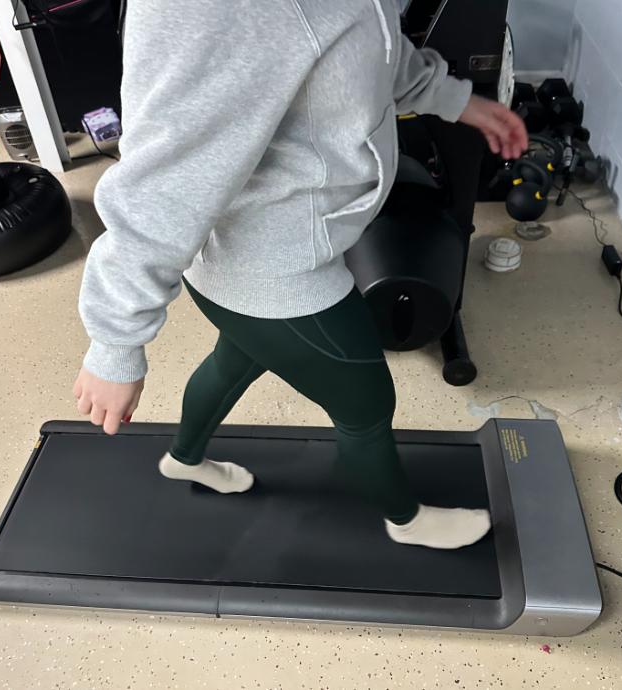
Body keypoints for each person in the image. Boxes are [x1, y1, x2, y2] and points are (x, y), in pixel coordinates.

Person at [74, 0, 528, 549]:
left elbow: (369, 45)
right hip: (276, 273)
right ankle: (406, 521)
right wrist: (115, 340)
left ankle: (184, 459)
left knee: (233, 361)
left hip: (261, 257)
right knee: (365, 406)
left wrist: (460, 103)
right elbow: (166, 173)